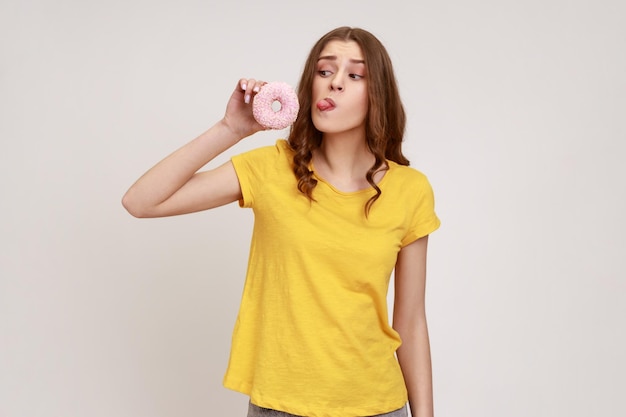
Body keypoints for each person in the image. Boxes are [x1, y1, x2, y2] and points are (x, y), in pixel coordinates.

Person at [122, 26, 441, 417]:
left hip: (378, 404)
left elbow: (410, 322)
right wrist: (231, 129)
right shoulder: (272, 169)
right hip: (281, 406)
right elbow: (141, 201)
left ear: (379, 95)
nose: (334, 84)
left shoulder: (410, 190)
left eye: (355, 75)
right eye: (324, 72)